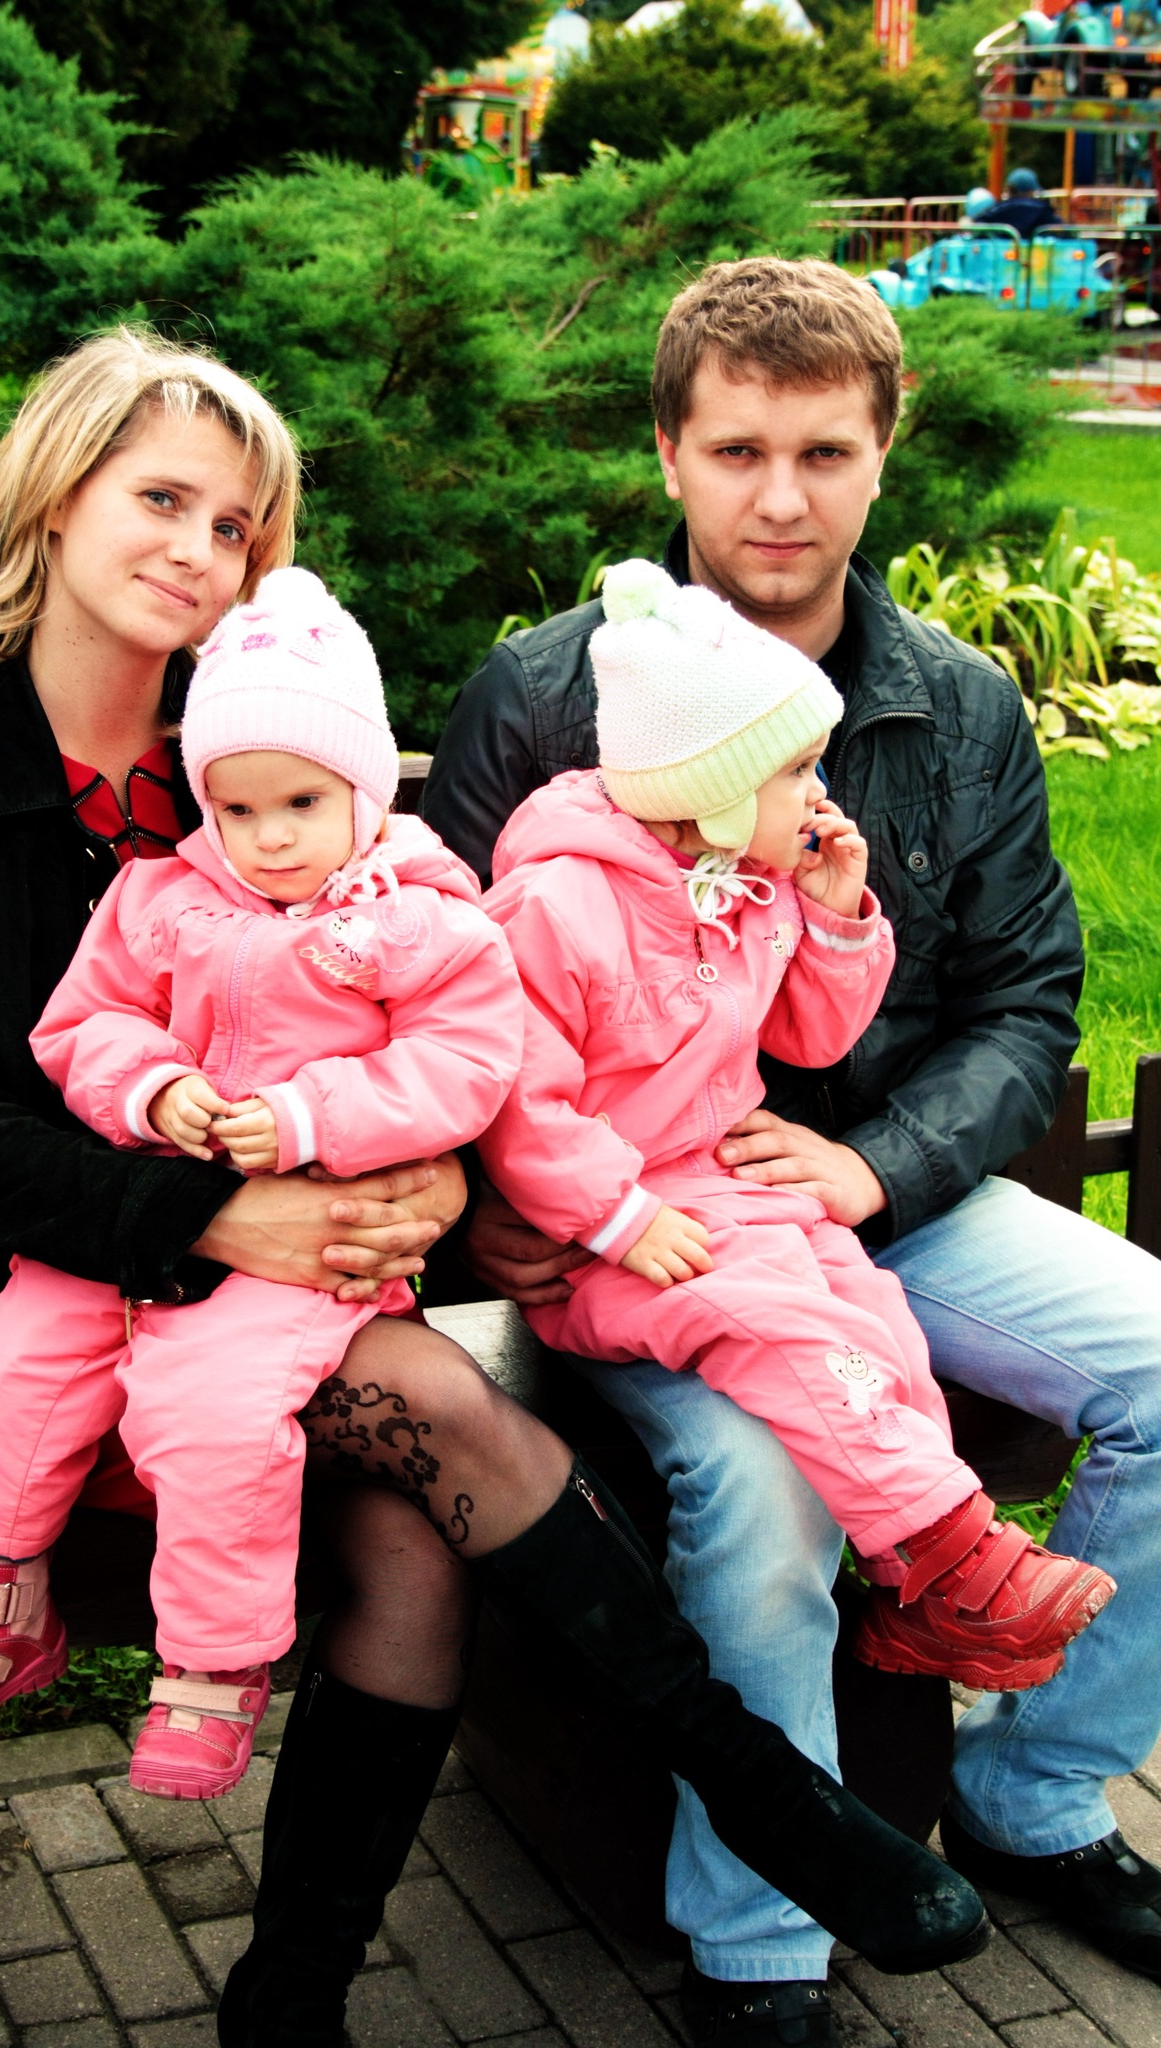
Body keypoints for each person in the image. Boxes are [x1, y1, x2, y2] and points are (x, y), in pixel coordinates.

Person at [0, 323, 989, 2047]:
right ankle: (760, 1788)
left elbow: (440, 1006)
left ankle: (291, 1996)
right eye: (160, 499)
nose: (198, 550)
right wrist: (221, 1213)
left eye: (236, 526)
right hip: (17, 1297)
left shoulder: (279, 758)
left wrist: (430, 1173)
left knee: (416, 1551)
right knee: (441, 1409)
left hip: (298, 1281)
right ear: (54, 500)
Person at [423, 257, 1161, 2034]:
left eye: (823, 451)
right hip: (648, 1233)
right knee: (765, 1498)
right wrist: (500, 1218)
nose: (779, 496)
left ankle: (1035, 1784)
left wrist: (876, 1165)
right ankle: (760, 1944)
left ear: (882, 454)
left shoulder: (956, 707)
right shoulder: (543, 697)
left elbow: (1025, 1000)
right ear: (669, 453)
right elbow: (433, 1006)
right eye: (737, 449)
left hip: (886, 1202)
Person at [0, 566, 529, 1800]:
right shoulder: (163, 896)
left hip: (308, 1243)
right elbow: (88, 1022)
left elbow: (466, 1062)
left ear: (365, 791)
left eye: (302, 802)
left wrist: (309, 1113)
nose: (268, 835)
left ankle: (215, 1664)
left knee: (210, 1408)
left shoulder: (419, 919)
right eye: (235, 807)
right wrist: (151, 1089)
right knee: (21, 1351)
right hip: (136, 1211)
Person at [479, 555, 1114, 1694]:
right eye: (795, 770)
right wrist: (617, 1217)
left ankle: (916, 1589)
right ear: (713, 790)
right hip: (615, 1239)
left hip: (730, 1192)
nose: (821, 792)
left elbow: (811, 1042)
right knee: (787, 1332)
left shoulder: (746, 879)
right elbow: (518, 1100)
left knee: (878, 1325)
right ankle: (956, 1550)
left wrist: (833, 918)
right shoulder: (555, 905)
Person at [979, 167, 1062, 238]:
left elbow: (977, 231)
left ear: (1009, 190)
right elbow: (1062, 232)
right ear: (1030, 191)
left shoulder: (996, 211)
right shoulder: (1043, 211)